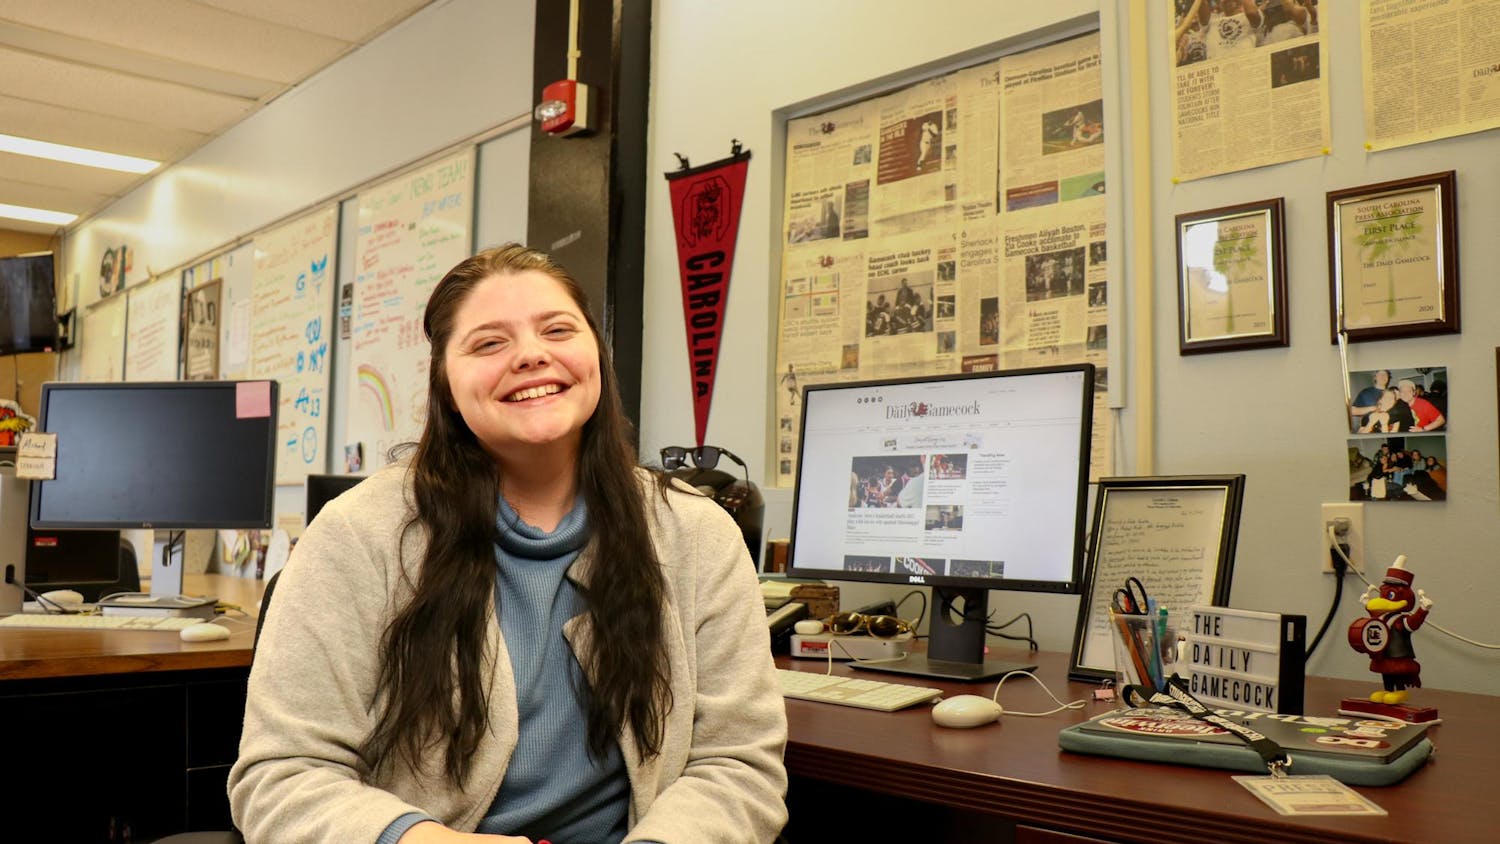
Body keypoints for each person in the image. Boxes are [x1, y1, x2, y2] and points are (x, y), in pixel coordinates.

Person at [229, 245, 788, 843]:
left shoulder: (696, 533)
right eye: (489, 343)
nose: (531, 355)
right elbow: (282, 774)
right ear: (443, 379)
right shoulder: (356, 535)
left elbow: (738, 763)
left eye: (557, 329)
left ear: (595, 353)